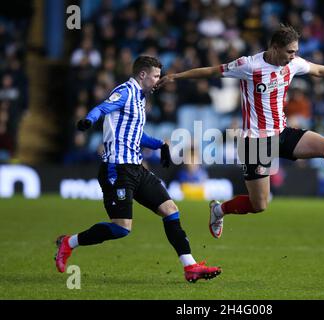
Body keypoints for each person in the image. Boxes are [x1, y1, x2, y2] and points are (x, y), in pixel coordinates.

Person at [156, 25, 324, 239]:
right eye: (290, 52)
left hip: (282, 133)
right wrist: (177, 77)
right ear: (275, 47)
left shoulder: (293, 64)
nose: (293, 56)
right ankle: (218, 210)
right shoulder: (249, 65)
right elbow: (212, 71)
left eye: (295, 51)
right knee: (259, 204)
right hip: (255, 143)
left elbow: (318, 70)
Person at [55, 56, 221, 283]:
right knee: (122, 228)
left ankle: (190, 266)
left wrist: (160, 145)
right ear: (142, 75)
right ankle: (68, 243)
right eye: (155, 76)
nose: (158, 81)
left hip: (136, 167)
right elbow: (103, 107)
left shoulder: (141, 99)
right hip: (117, 168)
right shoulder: (124, 92)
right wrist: (88, 120)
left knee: (170, 209)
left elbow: (137, 134)